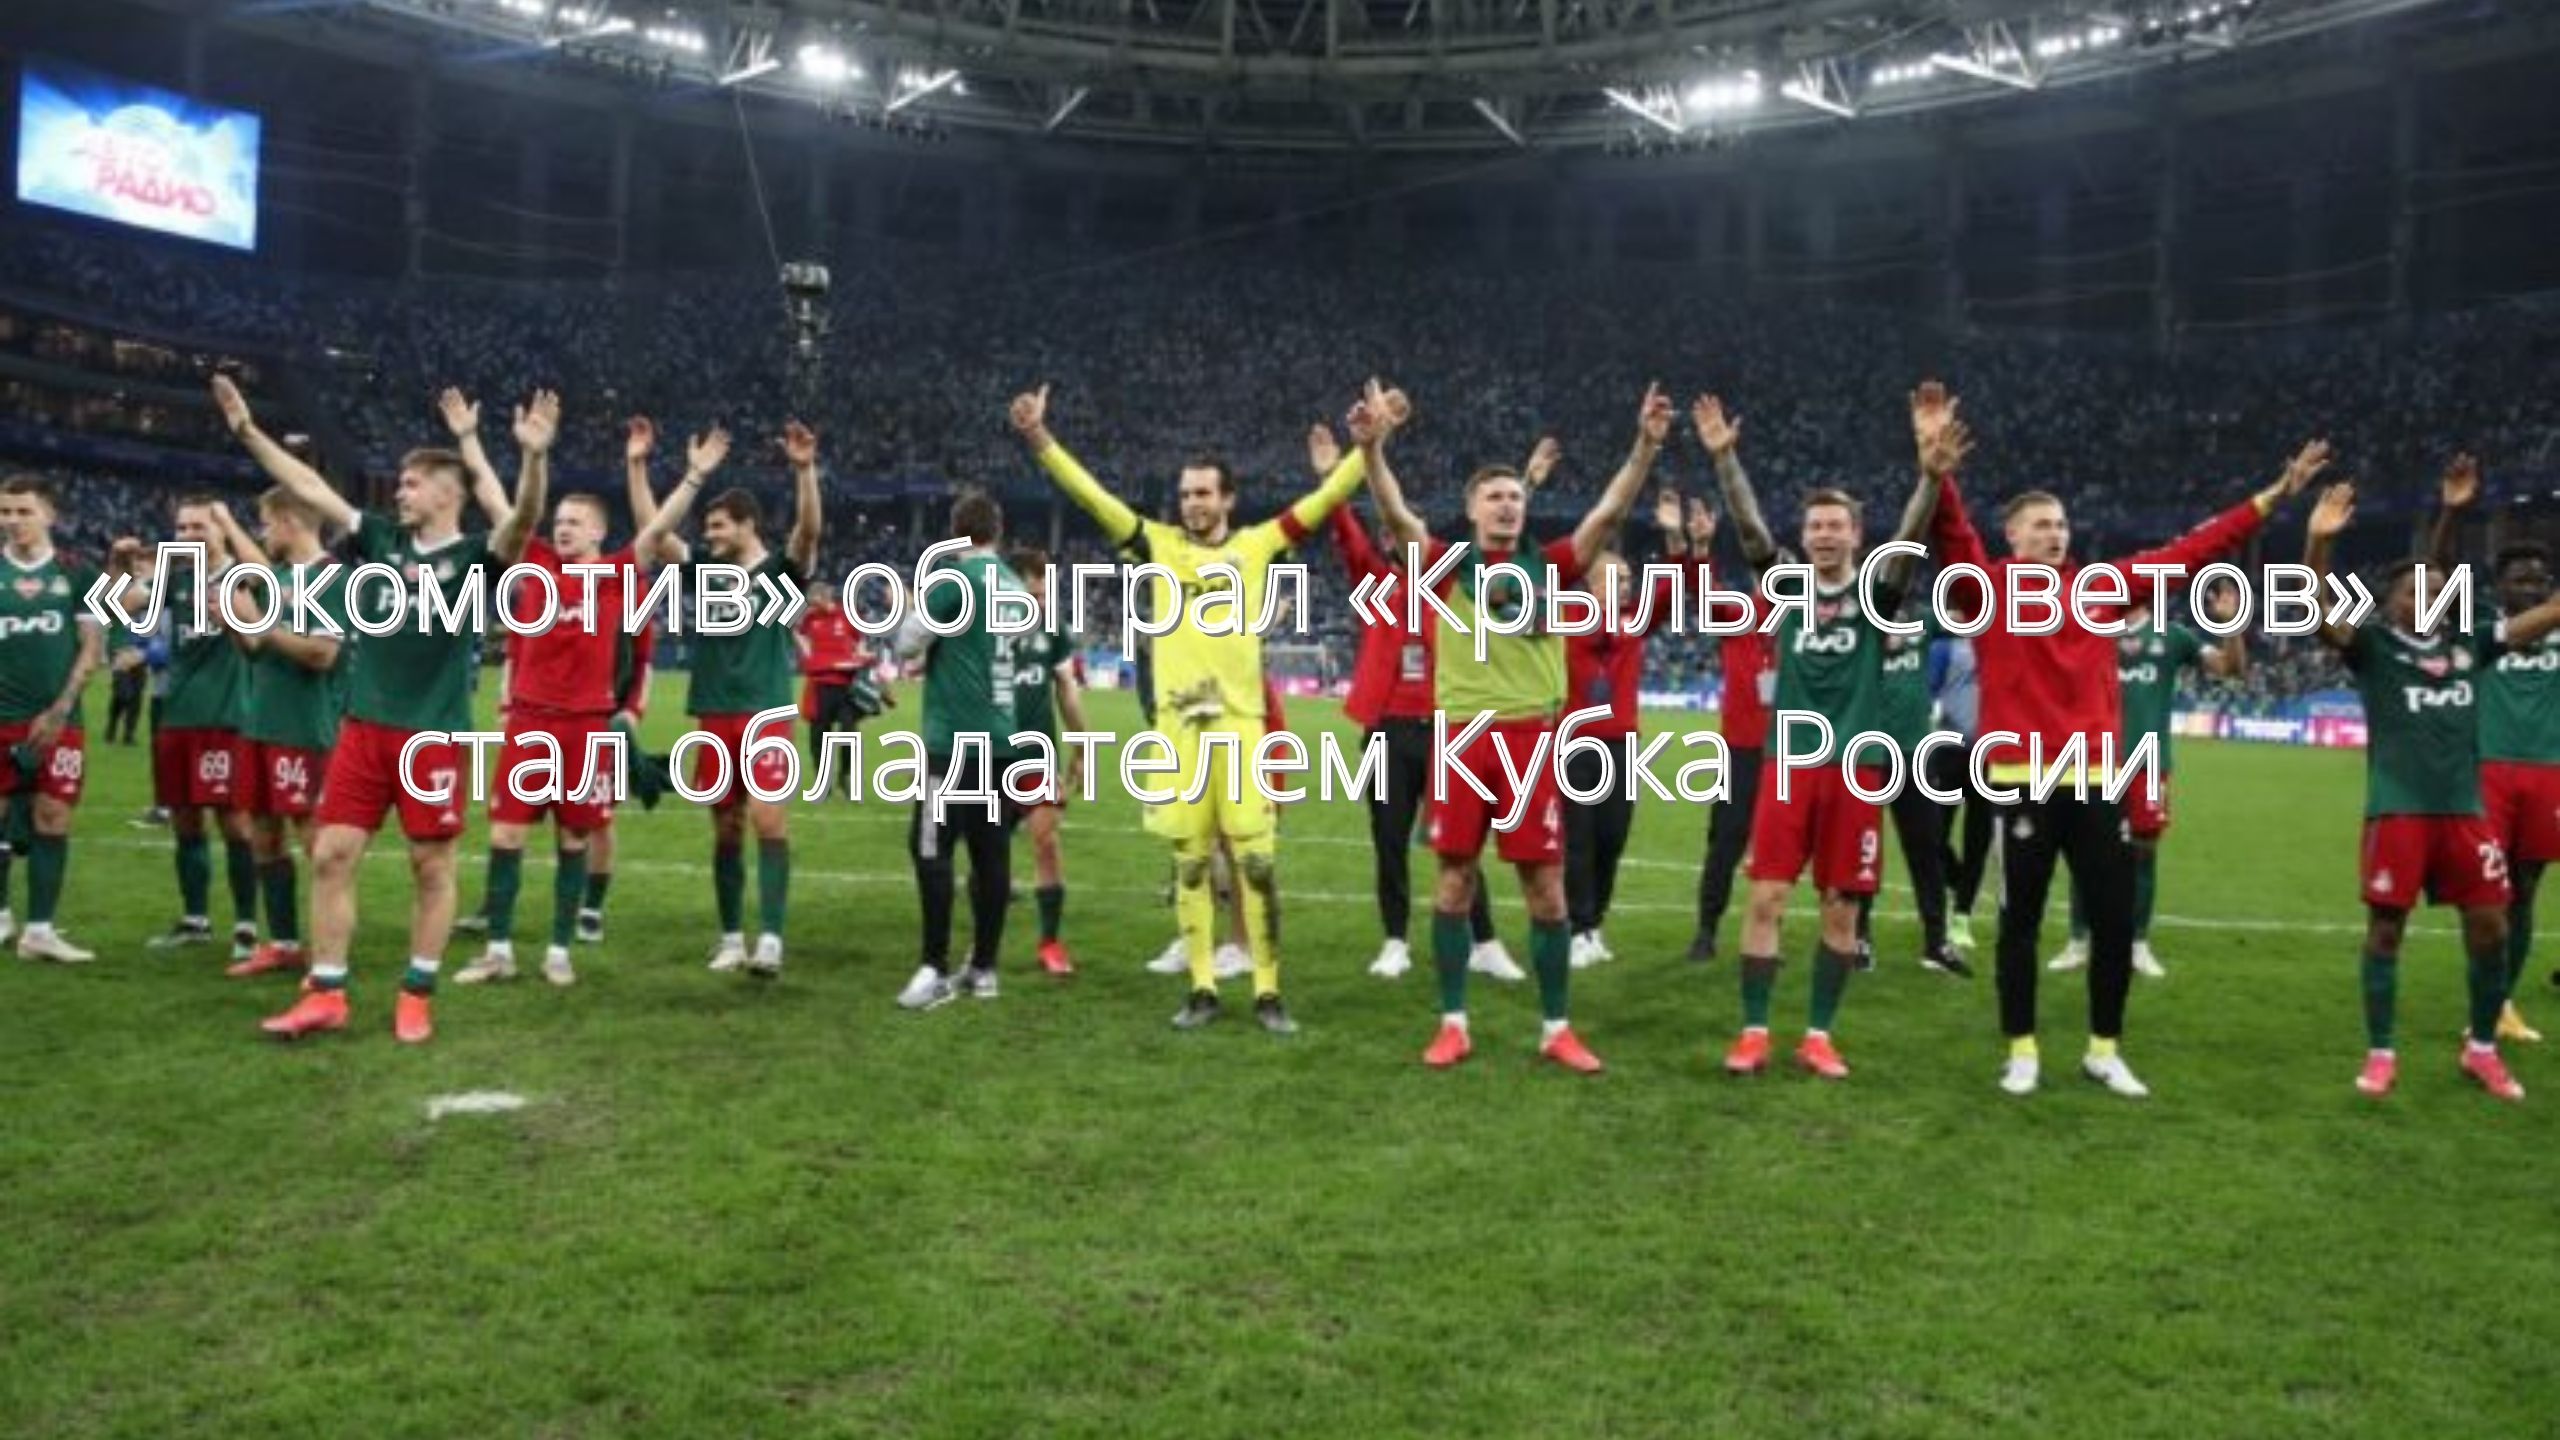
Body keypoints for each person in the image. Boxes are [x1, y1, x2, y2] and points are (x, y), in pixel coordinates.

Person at [1928, 384, 2326, 1098]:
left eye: (2061, 524)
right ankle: (2022, 1051)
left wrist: (2276, 495)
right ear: (2012, 536)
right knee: (2020, 926)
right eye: (2040, 525)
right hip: (2020, 783)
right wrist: (1937, 475)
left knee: (2113, 924)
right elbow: (1949, 534)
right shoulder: (1986, 590)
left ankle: (2103, 1051)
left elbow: (2197, 548)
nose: (2055, 534)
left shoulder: (2105, 587)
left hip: (2096, 784)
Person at [1013, 381, 1379, 1035]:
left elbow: (1325, 502)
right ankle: (1203, 987)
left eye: (1205, 493)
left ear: (1228, 499)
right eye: (1186, 494)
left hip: (1240, 731)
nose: (1193, 503)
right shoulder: (1157, 545)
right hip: (1178, 734)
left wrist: (1370, 447)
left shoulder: (1258, 545)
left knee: (1256, 864)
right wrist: (1041, 440)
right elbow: (1092, 497)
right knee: (1189, 864)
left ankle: (1268, 992)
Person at [214, 375, 545, 1044]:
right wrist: (249, 433)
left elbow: (523, 521)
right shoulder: (382, 541)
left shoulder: (475, 558)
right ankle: (326, 992)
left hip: (432, 736)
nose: (399, 492)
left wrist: (533, 457)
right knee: (331, 854)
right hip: (364, 729)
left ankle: (416, 993)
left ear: (447, 494)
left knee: (431, 866)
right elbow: (310, 489)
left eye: (412, 483)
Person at [1365, 384, 1672, 1073]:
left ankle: (1556, 1027)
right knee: (1454, 882)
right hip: (1463, 739)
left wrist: (1645, 447)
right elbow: (1393, 511)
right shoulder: (1446, 566)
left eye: (1515, 496)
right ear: (1473, 508)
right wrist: (1371, 448)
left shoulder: (1553, 565)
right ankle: (1453, 1023)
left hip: (1532, 740)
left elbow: (1610, 509)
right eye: (1494, 497)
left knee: (1548, 890)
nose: (1507, 504)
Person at [1697, 389, 1943, 1079]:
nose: (1826, 535)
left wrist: (1930, 476)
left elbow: (1912, 536)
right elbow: (1749, 529)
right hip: (1791, 765)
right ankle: (1753, 1033)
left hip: (1855, 771)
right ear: (1804, 537)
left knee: (1842, 909)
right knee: (1766, 897)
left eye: (1837, 525)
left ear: (1856, 535)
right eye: (1816, 526)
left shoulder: (1876, 594)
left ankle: (1818, 1035)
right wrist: (1725, 461)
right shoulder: (1787, 588)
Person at [2305, 482, 2560, 1100]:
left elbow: (2545, 615)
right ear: (2390, 603)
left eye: (2435, 588)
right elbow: (2315, 608)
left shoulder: (2472, 644)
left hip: (2464, 813)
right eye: (2412, 590)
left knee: (2492, 928)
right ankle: (2381, 1054)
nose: (2425, 596)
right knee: (2385, 932)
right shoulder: (2374, 648)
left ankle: (2482, 1049)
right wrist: (2318, 541)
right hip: (2398, 811)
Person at [455, 413, 699, 989]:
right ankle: (498, 951)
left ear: (597, 533)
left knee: (573, 840)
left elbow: (658, 529)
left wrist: (691, 476)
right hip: (530, 722)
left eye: (574, 522)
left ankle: (559, 951)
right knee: (505, 836)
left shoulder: (618, 575)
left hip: (586, 729)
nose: (561, 528)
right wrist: (471, 440)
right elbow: (494, 497)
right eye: (558, 520)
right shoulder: (535, 560)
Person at [1316, 420, 1518, 984]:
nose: (1395, 539)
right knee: (1389, 841)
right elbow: (1348, 536)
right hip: (1388, 729)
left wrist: (1526, 481)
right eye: (1387, 534)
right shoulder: (1375, 584)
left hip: (1447, 730)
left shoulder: (1453, 585)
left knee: (1460, 842)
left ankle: (1484, 942)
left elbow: (1499, 543)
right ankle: (1395, 941)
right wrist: (1332, 481)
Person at [632, 420, 820, 979]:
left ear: (747, 525)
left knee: (768, 820)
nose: (709, 534)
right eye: (707, 527)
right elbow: (652, 532)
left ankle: (771, 941)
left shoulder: (780, 573)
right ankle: (733, 938)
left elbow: (809, 531)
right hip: (714, 714)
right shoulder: (707, 571)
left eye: (718, 526)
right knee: (727, 827)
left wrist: (805, 471)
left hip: (766, 713)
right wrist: (638, 465)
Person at [2050, 586, 2246, 979]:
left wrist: (2230, 624)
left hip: (2149, 765)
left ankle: (2137, 944)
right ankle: (2078, 941)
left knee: (2143, 853)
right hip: (2093, 761)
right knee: (2085, 853)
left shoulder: (2172, 636)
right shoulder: (2088, 630)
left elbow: (2230, 668)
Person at [2427, 455, 2556, 1043]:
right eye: (2519, 578)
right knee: (2488, 892)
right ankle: (2484, 1000)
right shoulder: (2477, 625)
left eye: (2539, 578)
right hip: (2486, 774)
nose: (2531, 585)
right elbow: (2436, 576)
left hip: (2549, 775)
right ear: (2498, 587)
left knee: (2525, 891)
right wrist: (2453, 514)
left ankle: (2501, 1005)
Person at [890, 494, 1030, 1009]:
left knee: (931, 848)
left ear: (955, 533)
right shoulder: (1014, 585)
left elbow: (906, 642)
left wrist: (913, 606)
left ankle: (933, 966)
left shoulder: (954, 579)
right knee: (991, 855)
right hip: (1002, 737)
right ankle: (985, 969)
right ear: (999, 531)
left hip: (955, 739)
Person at [1564, 487, 1712, 969]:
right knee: (1579, 841)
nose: (1627, 587)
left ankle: (1594, 924)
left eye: (1629, 580)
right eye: (1617, 579)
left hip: (1622, 746)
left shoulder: (1635, 621)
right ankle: (1576, 928)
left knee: (1612, 839)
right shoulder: (1568, 618)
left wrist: (1675, 538)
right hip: (1573, 745)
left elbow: (1678, 582)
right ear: (1591, 584)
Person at [208, 492, 347, 979]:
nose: (263, 533)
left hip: (305, 729)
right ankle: (285, 944)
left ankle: (328, 956)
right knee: (263, 836)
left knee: (318, 847)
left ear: (290, 521)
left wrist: (258, 621)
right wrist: (233, 622)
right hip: (260, 725)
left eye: (266, 523)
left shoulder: (333, 579)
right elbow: (256, 647)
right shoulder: (282, 578)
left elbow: (322, 654)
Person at [146, 494, 262, 962]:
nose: (189, 536)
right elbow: (123, 608)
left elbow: (266, 580)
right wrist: (120, 570)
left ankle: (246, 926)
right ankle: (195, 919)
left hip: (227, 719)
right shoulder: (175, 580)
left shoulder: (239, 577)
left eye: (199, 527)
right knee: (185, 821)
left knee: (235, 823)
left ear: (220, 530)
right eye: (182, 528)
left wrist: (230, 522)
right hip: (178, 718)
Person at [0, 473, 103, 963]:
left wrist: (60, 709)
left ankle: (39, 931)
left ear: (50, 515)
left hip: (60, 720)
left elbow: (91, 648)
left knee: (53, 816)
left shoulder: (79, 573)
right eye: (5, 511)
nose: (13, 520)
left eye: (24, 511)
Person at [1860, 597, 1970, 978]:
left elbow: (1966, 615)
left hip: (1914, 755)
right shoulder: (1856, 621)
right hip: (1867, 754)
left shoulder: (1922, 619)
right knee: (1863, 851)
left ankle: (1936, 942)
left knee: (1927, 848)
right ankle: (1858, 938)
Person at [1005, 545, 1091, 979]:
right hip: (987, 752)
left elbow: (1067, 690)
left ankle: (1050, 942)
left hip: (1035, 755)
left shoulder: (1053, 629)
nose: (1041, 602)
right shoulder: (981, 626)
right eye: (1034, 594)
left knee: (1046, 841)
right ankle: (982, 945)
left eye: (1045, 594)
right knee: (988, 850)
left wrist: (1081, 745)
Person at [1687, 550, 1769, 964]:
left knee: (1780, 852)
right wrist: (1702, 552)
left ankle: (1766, 935)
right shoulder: (1739, 615)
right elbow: (1705, 593)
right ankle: (1706, 929)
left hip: (1790, 754)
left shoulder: (1806, 624)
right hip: (1740, 753)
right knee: (1725, 843)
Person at [1926, 631, 1992, 952]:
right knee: (1934, 835)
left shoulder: (2001, 644)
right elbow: (1927, 690)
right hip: (1949, 750)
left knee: (1978, 839)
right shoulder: (1944, 647)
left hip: (1991, 754)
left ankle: (1962, 917)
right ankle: (1958, 881)